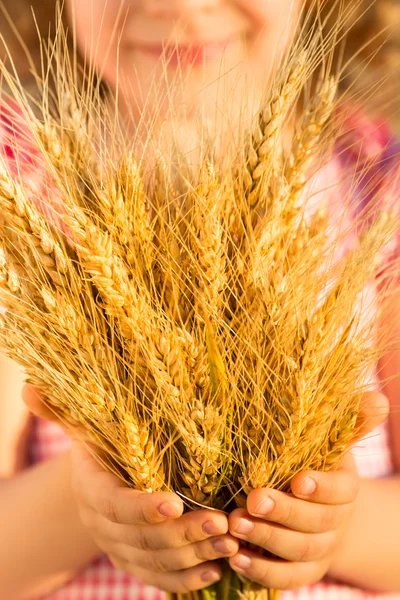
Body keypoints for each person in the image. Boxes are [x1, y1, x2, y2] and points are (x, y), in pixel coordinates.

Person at [0, 1, 399, 598]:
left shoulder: (376, 184)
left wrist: (329, 526)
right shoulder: (19, 199)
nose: (181, 5)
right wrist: (99, 498)